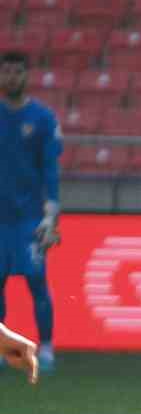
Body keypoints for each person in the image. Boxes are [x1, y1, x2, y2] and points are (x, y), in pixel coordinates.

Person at [0, 51, 61, 374]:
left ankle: (46, 347)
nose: (12, 77)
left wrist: (51, 214)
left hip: (30, 219)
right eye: (7, 71)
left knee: (36, 281)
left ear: (26, 76)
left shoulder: (42, 119)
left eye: (17, 72)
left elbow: (50, 170)